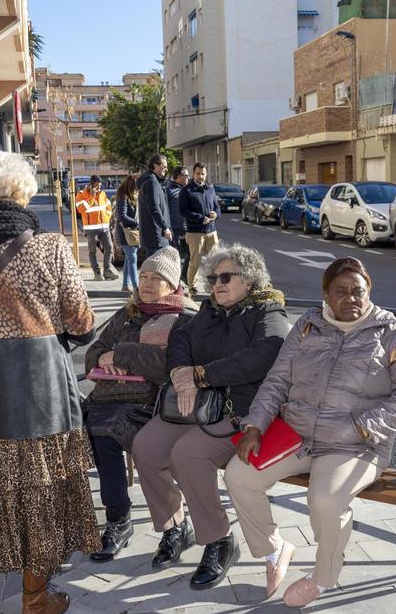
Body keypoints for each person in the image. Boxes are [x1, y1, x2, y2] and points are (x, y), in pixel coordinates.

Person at [0, 152, 99, 614]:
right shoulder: (49, 247)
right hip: (39, 389)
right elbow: (83, 322)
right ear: (21, 191)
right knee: (40, 490)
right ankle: (35, 599)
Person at [225, 257, 396, 608]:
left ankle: (323, 577)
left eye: (358, 292)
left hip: (354, 445)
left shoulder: (391, 332)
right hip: (297, 435)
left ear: (369, 291)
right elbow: (278, 380)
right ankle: (274, 550)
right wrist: (255, 425)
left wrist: (361, 427)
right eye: (341, 292)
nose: (351, 299)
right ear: (326, 296)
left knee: (327, 501)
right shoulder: (307, 325)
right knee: (238, 475)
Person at [131, 245, 289, 590]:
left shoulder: (267, 312)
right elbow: (179, 340)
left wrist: (201, 375)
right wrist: (180, 372)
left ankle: (219, 540)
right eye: (213, 277)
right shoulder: (207, 311)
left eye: (226, 276)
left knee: (188, 453)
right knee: (145, 446)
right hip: (194, 405)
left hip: (240, 410)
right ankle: (175, 527)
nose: (217, 283)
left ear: (249, 280)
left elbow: (264, 355)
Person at [83, 246, 198, 563]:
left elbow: (171, 365)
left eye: (156, 278)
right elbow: (93, 353)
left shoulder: (183, 319)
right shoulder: (127, 313)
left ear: (172, 284)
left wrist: (122, 355)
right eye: (143, 276)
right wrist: (105, 358)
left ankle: (169, 525)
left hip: (155, 404)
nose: (146, 283)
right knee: (87, 426)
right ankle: (117, 518)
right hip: (109, 398)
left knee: (107, 431)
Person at [178, 163, 220, 292]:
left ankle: (213, 286)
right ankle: (192, 286)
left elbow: (217, 207)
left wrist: (215, 214)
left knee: (215, 261)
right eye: (198, 173)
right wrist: (200, 218)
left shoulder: (210, 189)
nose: (201, 176)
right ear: (193, 174)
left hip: (211, 231)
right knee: (195, 262)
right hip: (195, 233)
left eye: (203, 174)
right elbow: (183, 211)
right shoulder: (186, 190)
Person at [76, 174, 117, 281]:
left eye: (100, 185)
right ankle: (97, 273)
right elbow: (81, 209)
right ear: (91, 185)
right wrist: (91, 196)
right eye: (96, 186)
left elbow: (108, 207)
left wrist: (107, 217)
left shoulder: (102, 194)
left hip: (104, 227)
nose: (99, 188)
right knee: (92, 251)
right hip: (90, 228)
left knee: (109, 248)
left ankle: (107, 271)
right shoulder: (81, 194)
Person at [137, 154, 172, 257]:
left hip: (156, 236)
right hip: (156, 236)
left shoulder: (152, 181)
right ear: (155, 165)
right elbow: (154, 208)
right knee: (156, 269)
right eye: (164, 166)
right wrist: (165, 227)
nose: (166, 169)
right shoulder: (152, 182)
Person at [166, 166, 192, 286]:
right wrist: (167, 227)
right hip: (174, 228)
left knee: (191, 254)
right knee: (175, 256)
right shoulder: (169, 190)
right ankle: (174, 282)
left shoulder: (188, 189)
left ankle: (183, 274)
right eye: (186, 176)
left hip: (188, 228)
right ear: (179, 177)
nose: (188, 178)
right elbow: (165, 210)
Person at [114, 174, 140, 292]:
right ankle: (136, 287)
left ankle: (125, 285)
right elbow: (122, 216)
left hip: (131, 233)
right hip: (125, 232)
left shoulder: (133, 197)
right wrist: (137, 223)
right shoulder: (123, 197)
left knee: (129, 259)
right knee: (133, 258)